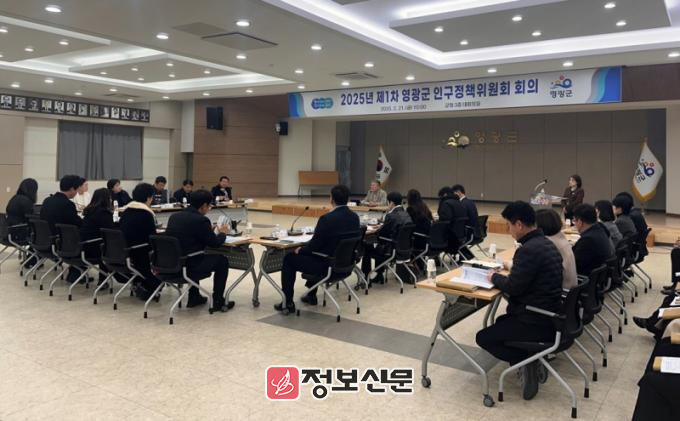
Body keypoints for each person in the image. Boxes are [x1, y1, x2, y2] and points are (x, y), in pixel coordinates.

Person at [475, 201, 563, 400]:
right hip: (551, 316)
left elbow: (514, 287)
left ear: (519, 224)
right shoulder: (546, 243)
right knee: (501, 322)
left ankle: (525, 360)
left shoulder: (528, 250)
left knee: (483, 337)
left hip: (535, 320)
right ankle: (529, 359)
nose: (508, 230)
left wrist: (494, 277)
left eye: (509, 225)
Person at [275, 185, 360, 313]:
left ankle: (287, 302)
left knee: (289, 258)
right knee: (315, 254)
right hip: (346, 265)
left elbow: (314, 246)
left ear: (331, 199)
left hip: (327, 266)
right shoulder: (354, 217)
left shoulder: (327, 219)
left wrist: (300, 250)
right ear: (348, 199)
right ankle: (311, 294)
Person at [165, 190, 233, 311]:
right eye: (209, 206)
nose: (209, 208)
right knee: (222, 261)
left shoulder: (174, 217)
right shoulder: (201, 220)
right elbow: (215, 243)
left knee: (193, 253)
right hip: (189, 266)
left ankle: (194, 296)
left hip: (172, 264)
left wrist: (207, 230)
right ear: (204, 205)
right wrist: (222, 233)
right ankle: (218, 300)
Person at [119, 183, 162, 300]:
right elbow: (152, 237)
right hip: (140, 251)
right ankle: (155, 284)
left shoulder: (126, 211)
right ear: (148, 198)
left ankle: (140, 283)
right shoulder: (146, 214)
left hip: (124, 251)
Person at [361, 191, 412, 285]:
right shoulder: (406, 214)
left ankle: (366, 276)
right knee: (381, 244)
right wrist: (382, 226)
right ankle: (379, 274)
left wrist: (377, 230)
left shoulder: (391, 216)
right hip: (404, 249)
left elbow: (382, 234)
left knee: (368, 246)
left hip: (391, 250)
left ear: (391, 203)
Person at [40, 175, 83, 282]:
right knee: (83, 237)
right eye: (77, 189)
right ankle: (75, 274)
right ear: (72, 189)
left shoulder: (47, 200)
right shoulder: (67, 204)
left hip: (45, 239)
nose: (77, 192)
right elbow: (76, 224)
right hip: (60, 242)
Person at [535, 208, 578, 290]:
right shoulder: (560, 237)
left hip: (561, 291)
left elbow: (530, 269)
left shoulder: (547, 244)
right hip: (571, 290)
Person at [80, 188, 116, 281]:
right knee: (108, 245)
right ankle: (104, 279)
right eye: (110, 198)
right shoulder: (104, 213)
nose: (111, 200)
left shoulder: (89, 211)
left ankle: (103, 279)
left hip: (83, 246)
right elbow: (110, 232)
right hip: (94, 249)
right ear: (106, 199)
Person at [571, 204, 614, 276]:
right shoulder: (600, 229)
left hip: (585, 278)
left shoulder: (588, 240)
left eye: (575, 220)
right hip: (600, 276)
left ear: (580, 222)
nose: (574, 224)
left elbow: (574, 264)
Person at [437, 187, 467, 258]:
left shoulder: (446, 203)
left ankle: (435, 259)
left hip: (451, 237)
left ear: (444, 195)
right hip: (461, 234)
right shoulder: (459, 202)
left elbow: (445, 221)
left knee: (432, 234)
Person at [452, 184, 478, 260]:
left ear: (458, 192)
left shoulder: (462, 204)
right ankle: (467, 255)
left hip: (467, 232)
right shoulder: (470, 202)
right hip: (475, 231)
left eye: (454, 193)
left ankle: (465, 256)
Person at [406, 189, 433, 254]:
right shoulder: (424, 206)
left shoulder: (410, 209)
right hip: (428, 237)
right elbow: (430, 218)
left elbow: (409, 224)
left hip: (418, 239)